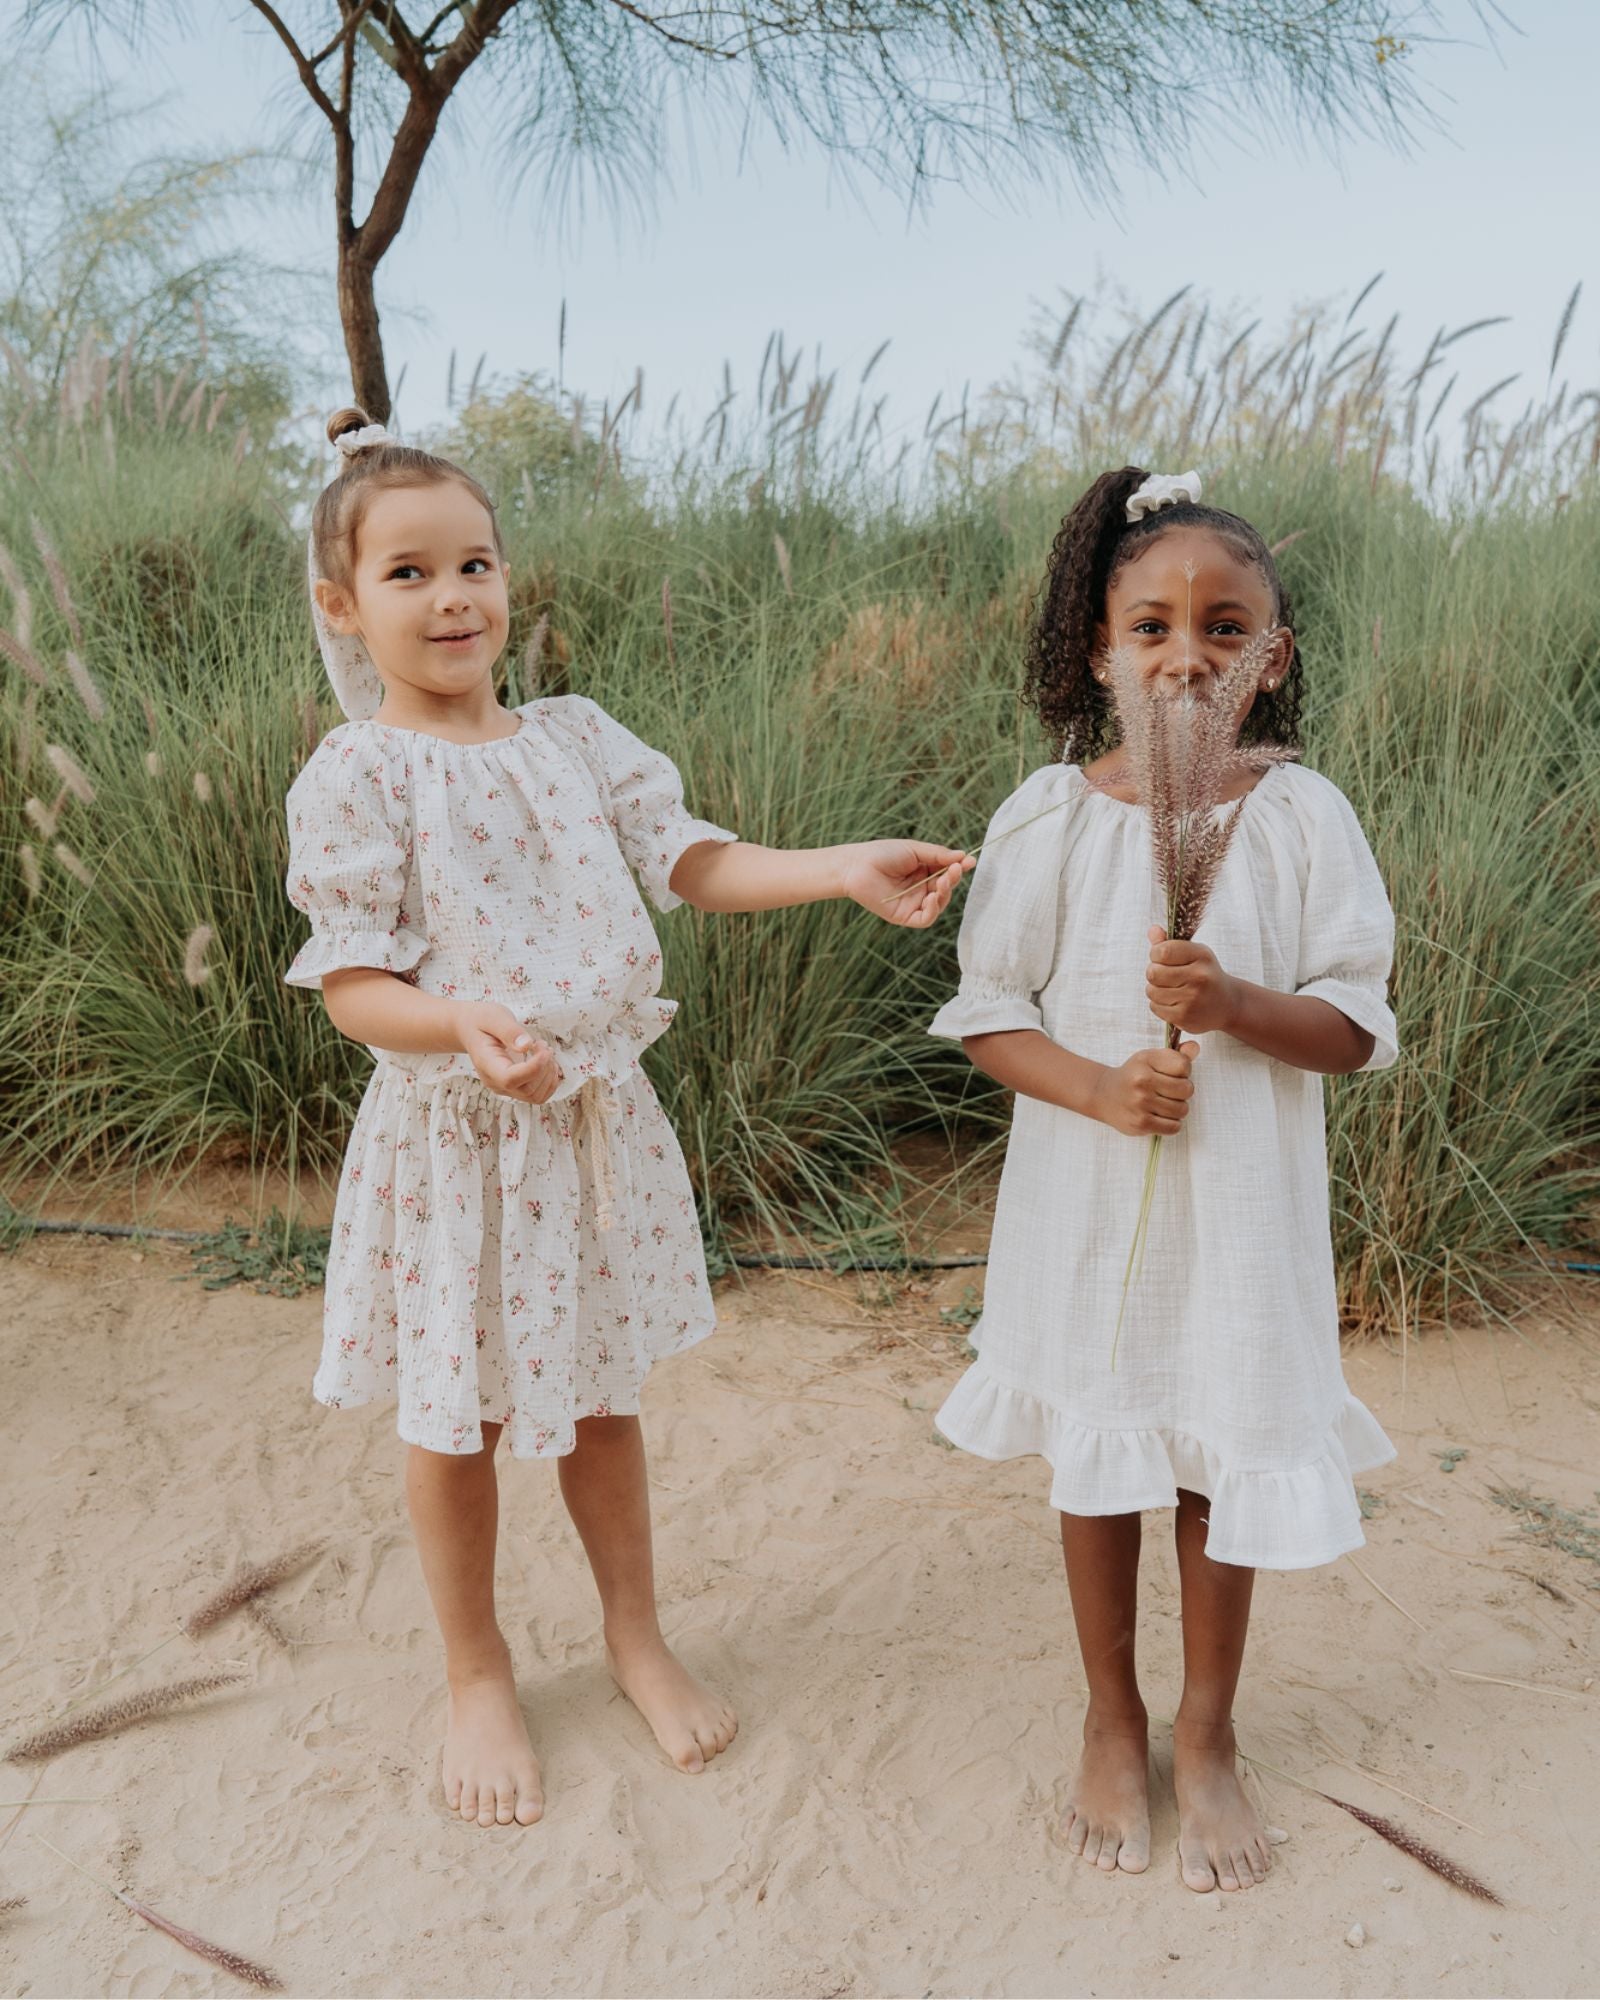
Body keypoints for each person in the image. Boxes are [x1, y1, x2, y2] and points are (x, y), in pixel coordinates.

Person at [284, 406, 972, 1829]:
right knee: (455, 1414)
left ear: (508, 579)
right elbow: (352, 983)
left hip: (595, 1126)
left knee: (604, 1398)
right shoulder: (357, 776)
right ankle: (476, 1669)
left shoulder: (577, 738)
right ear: (340, 606)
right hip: (455, 1141)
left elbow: (692, 860)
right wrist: (459, 1027)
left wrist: (843, 865)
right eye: (407, 574)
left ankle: (635, 1635)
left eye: (473, 562)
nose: (453, 596)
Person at [929, 465, 1397, 1892]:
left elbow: (1354, 1025)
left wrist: (1238, 1003)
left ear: (1275, 656)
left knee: (1216, 1458)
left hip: (1241, 1225)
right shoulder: (1050, 817)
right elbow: (989, 1009)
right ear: (1098, 650)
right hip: (1084, 1216)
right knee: (1101, 1446)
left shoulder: (1304, 815)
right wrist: (1102, 1085)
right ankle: (1111, 1712)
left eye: (1226, 624)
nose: (1187, 653)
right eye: (1150, 626)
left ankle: (1208, 1730)